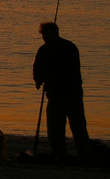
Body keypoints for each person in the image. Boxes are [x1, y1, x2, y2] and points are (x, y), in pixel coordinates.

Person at [33, 21, 89, 161]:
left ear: (56, 34)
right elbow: (37, 69)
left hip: (72, 94)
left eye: (49, 36)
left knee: (78, 128)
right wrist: (39, 80)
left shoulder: (69, 48)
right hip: (54, 96)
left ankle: (85, 156)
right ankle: (59, 155)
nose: (47, 40)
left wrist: (55, 80)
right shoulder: (43, 50)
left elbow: (72, 72)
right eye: (44, 37)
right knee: (54, 129)